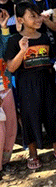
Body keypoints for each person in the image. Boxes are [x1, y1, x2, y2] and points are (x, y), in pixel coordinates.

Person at [4, 2, 56, 169]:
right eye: (32, 16)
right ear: (20, 19)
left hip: (47, 82)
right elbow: (11, 67)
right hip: (26, 86)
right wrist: (23, 51)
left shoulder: (45, 37)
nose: (38, 19)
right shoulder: (15, 40)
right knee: (30, 117)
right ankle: (33, 154)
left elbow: (52, 60)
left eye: (38, 15)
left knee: (52, 114)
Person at [0, 9, 17, 178]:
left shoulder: (1, 34)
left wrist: (4, 28)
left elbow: (6, 53)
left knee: (11, 126)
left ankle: (5, 162)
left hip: (5, 87)